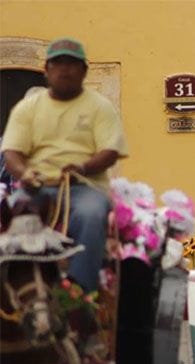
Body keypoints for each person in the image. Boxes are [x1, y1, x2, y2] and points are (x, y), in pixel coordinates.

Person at [0, 37, 128, 292]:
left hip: (83, 187)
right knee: (10, 216)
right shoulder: (27, 110)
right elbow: (11, 152)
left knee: (90, 214)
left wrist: (82, 168)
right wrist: (24, 173)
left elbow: (110, 151)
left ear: (84, 71)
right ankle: (13, 290)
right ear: (47, 70)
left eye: (72, 64)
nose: (65, 70)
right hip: (35, 187)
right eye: (58, 64)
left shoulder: (99, 108)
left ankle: (79, 289)